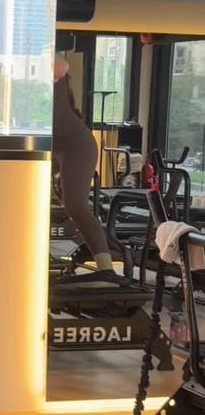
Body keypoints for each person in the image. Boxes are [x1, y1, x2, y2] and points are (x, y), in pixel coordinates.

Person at [53, 56, 117, 281]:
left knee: (76, 205)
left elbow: (62, 65)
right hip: (51, 148)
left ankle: (106, 269)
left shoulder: (50, 69)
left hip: (76, 145)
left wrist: (40, 56)